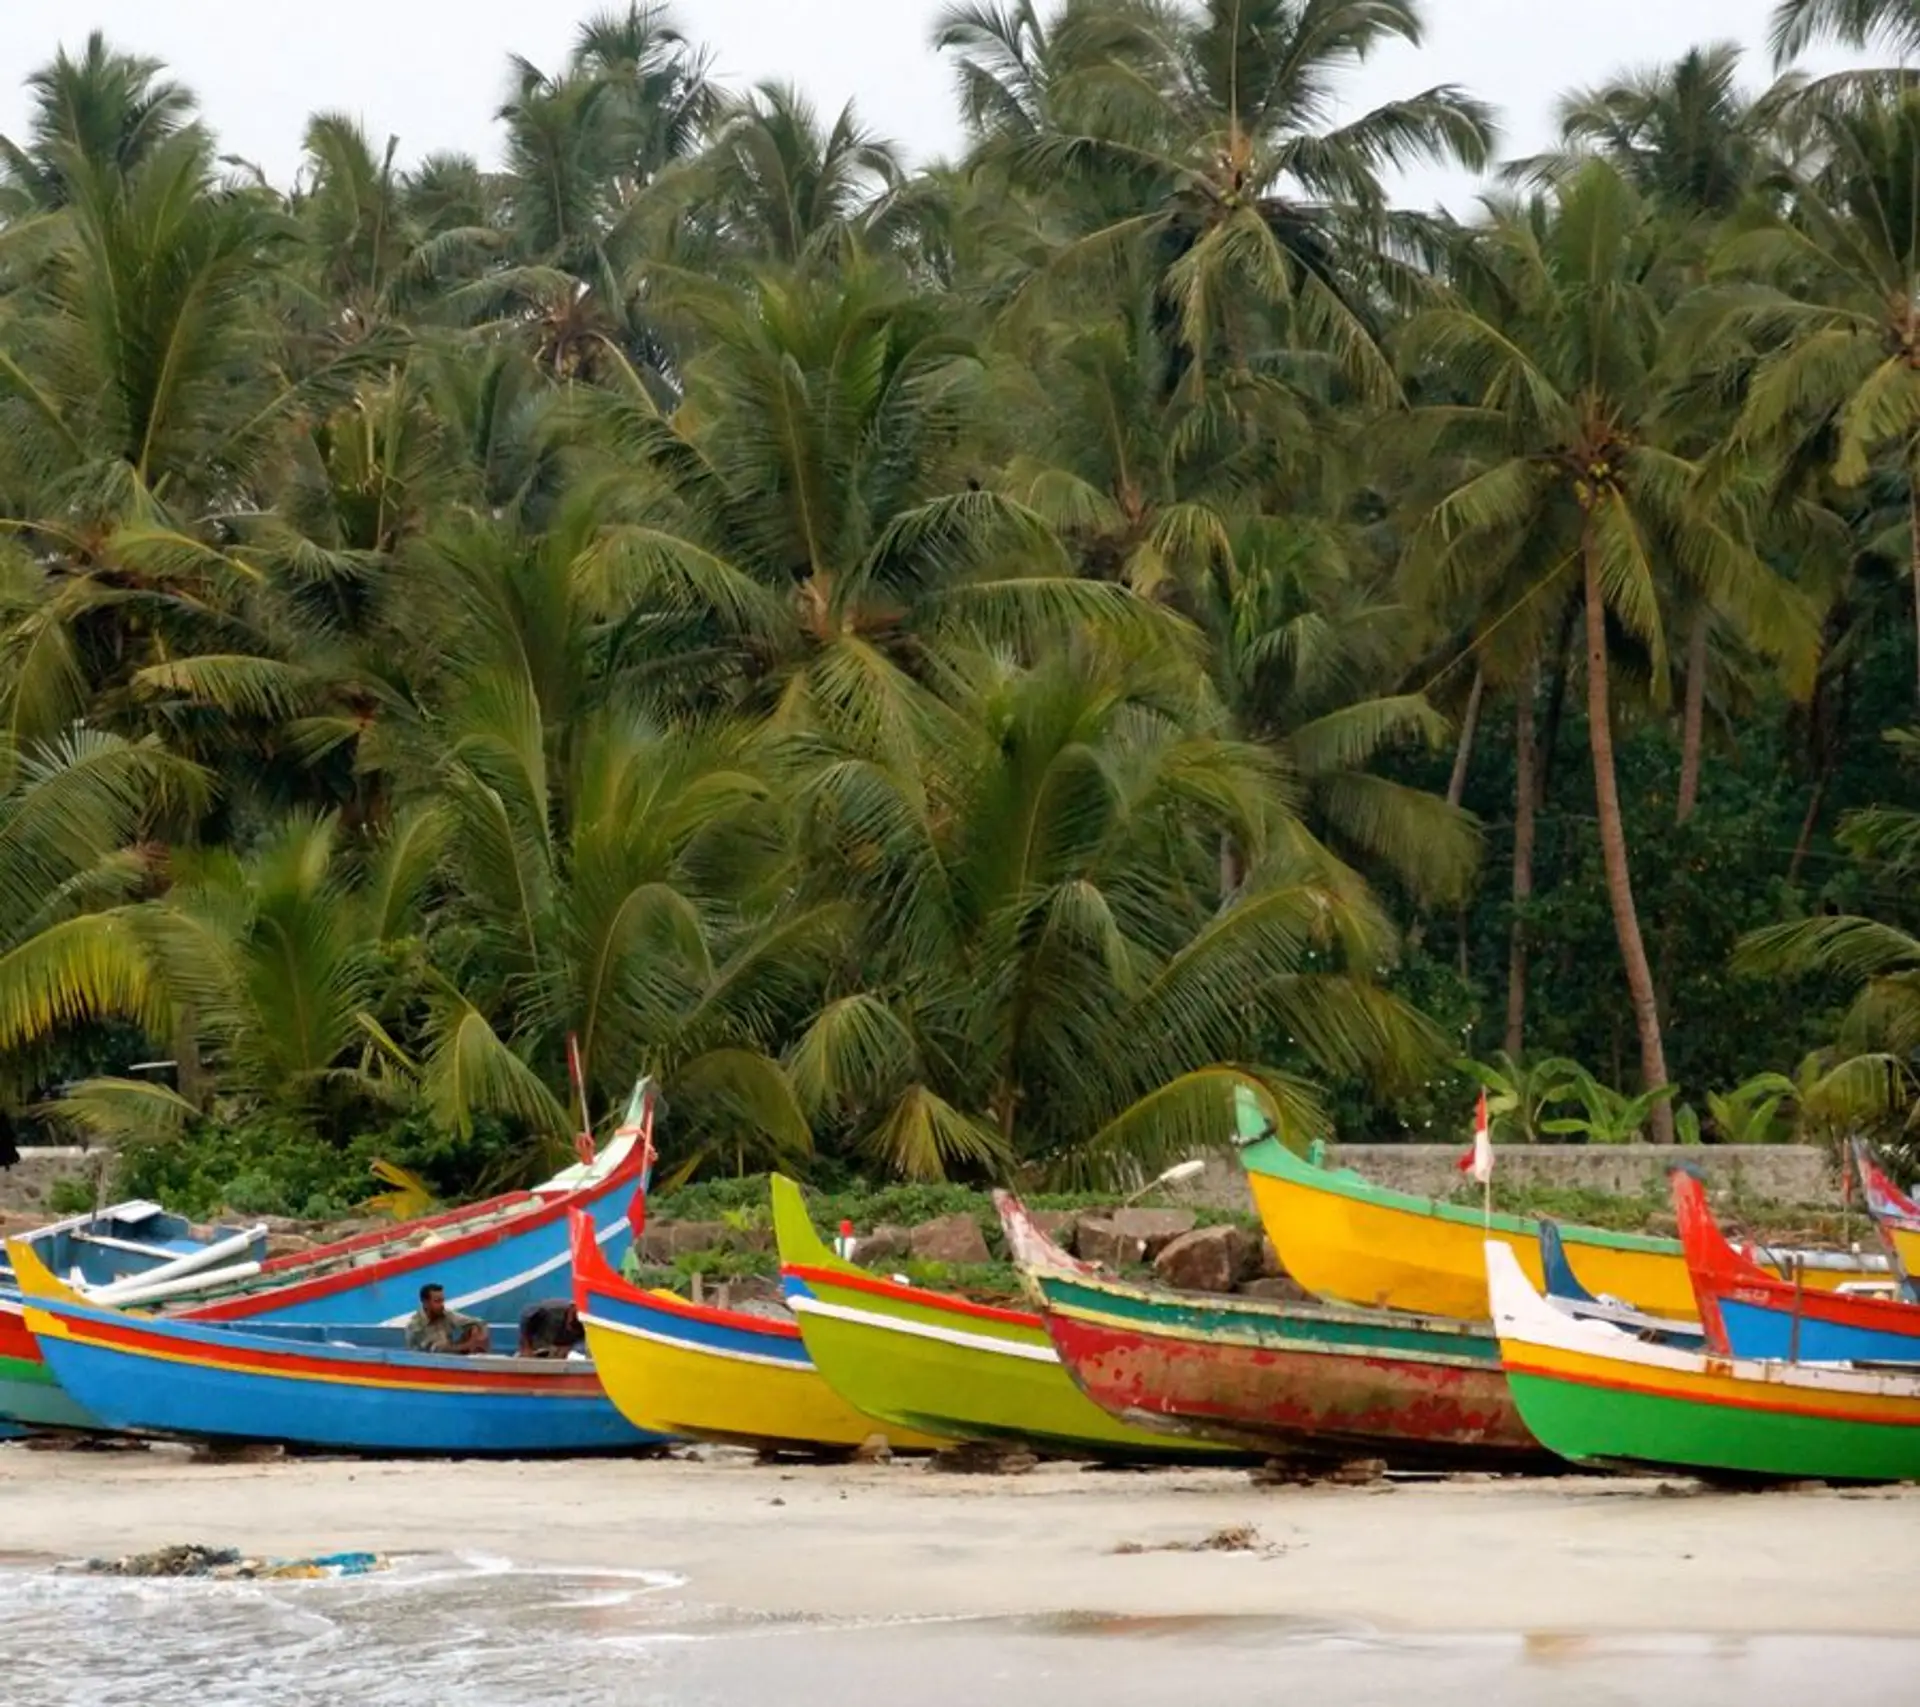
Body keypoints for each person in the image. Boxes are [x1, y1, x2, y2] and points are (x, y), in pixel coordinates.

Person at [405, 1283, 490, 1355]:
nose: (442, 1304)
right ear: (425, 1302)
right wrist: (468, 1345)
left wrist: (476, 1333)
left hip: (451, 1358)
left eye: (442, 1300)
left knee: (473, 1329)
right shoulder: (415, 1326)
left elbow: (479, 1322)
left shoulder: (445, 1314)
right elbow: (437, 1350)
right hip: (428, 1366)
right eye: (437, 1301)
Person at [517, 1298, 585, 1358]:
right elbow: (526, 1316)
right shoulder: (550, 1309)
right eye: (570, 1324)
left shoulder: (587, 1320)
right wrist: (526, 1346)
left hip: (561, 1347)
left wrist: (569, 1347)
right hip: (538, 1343)